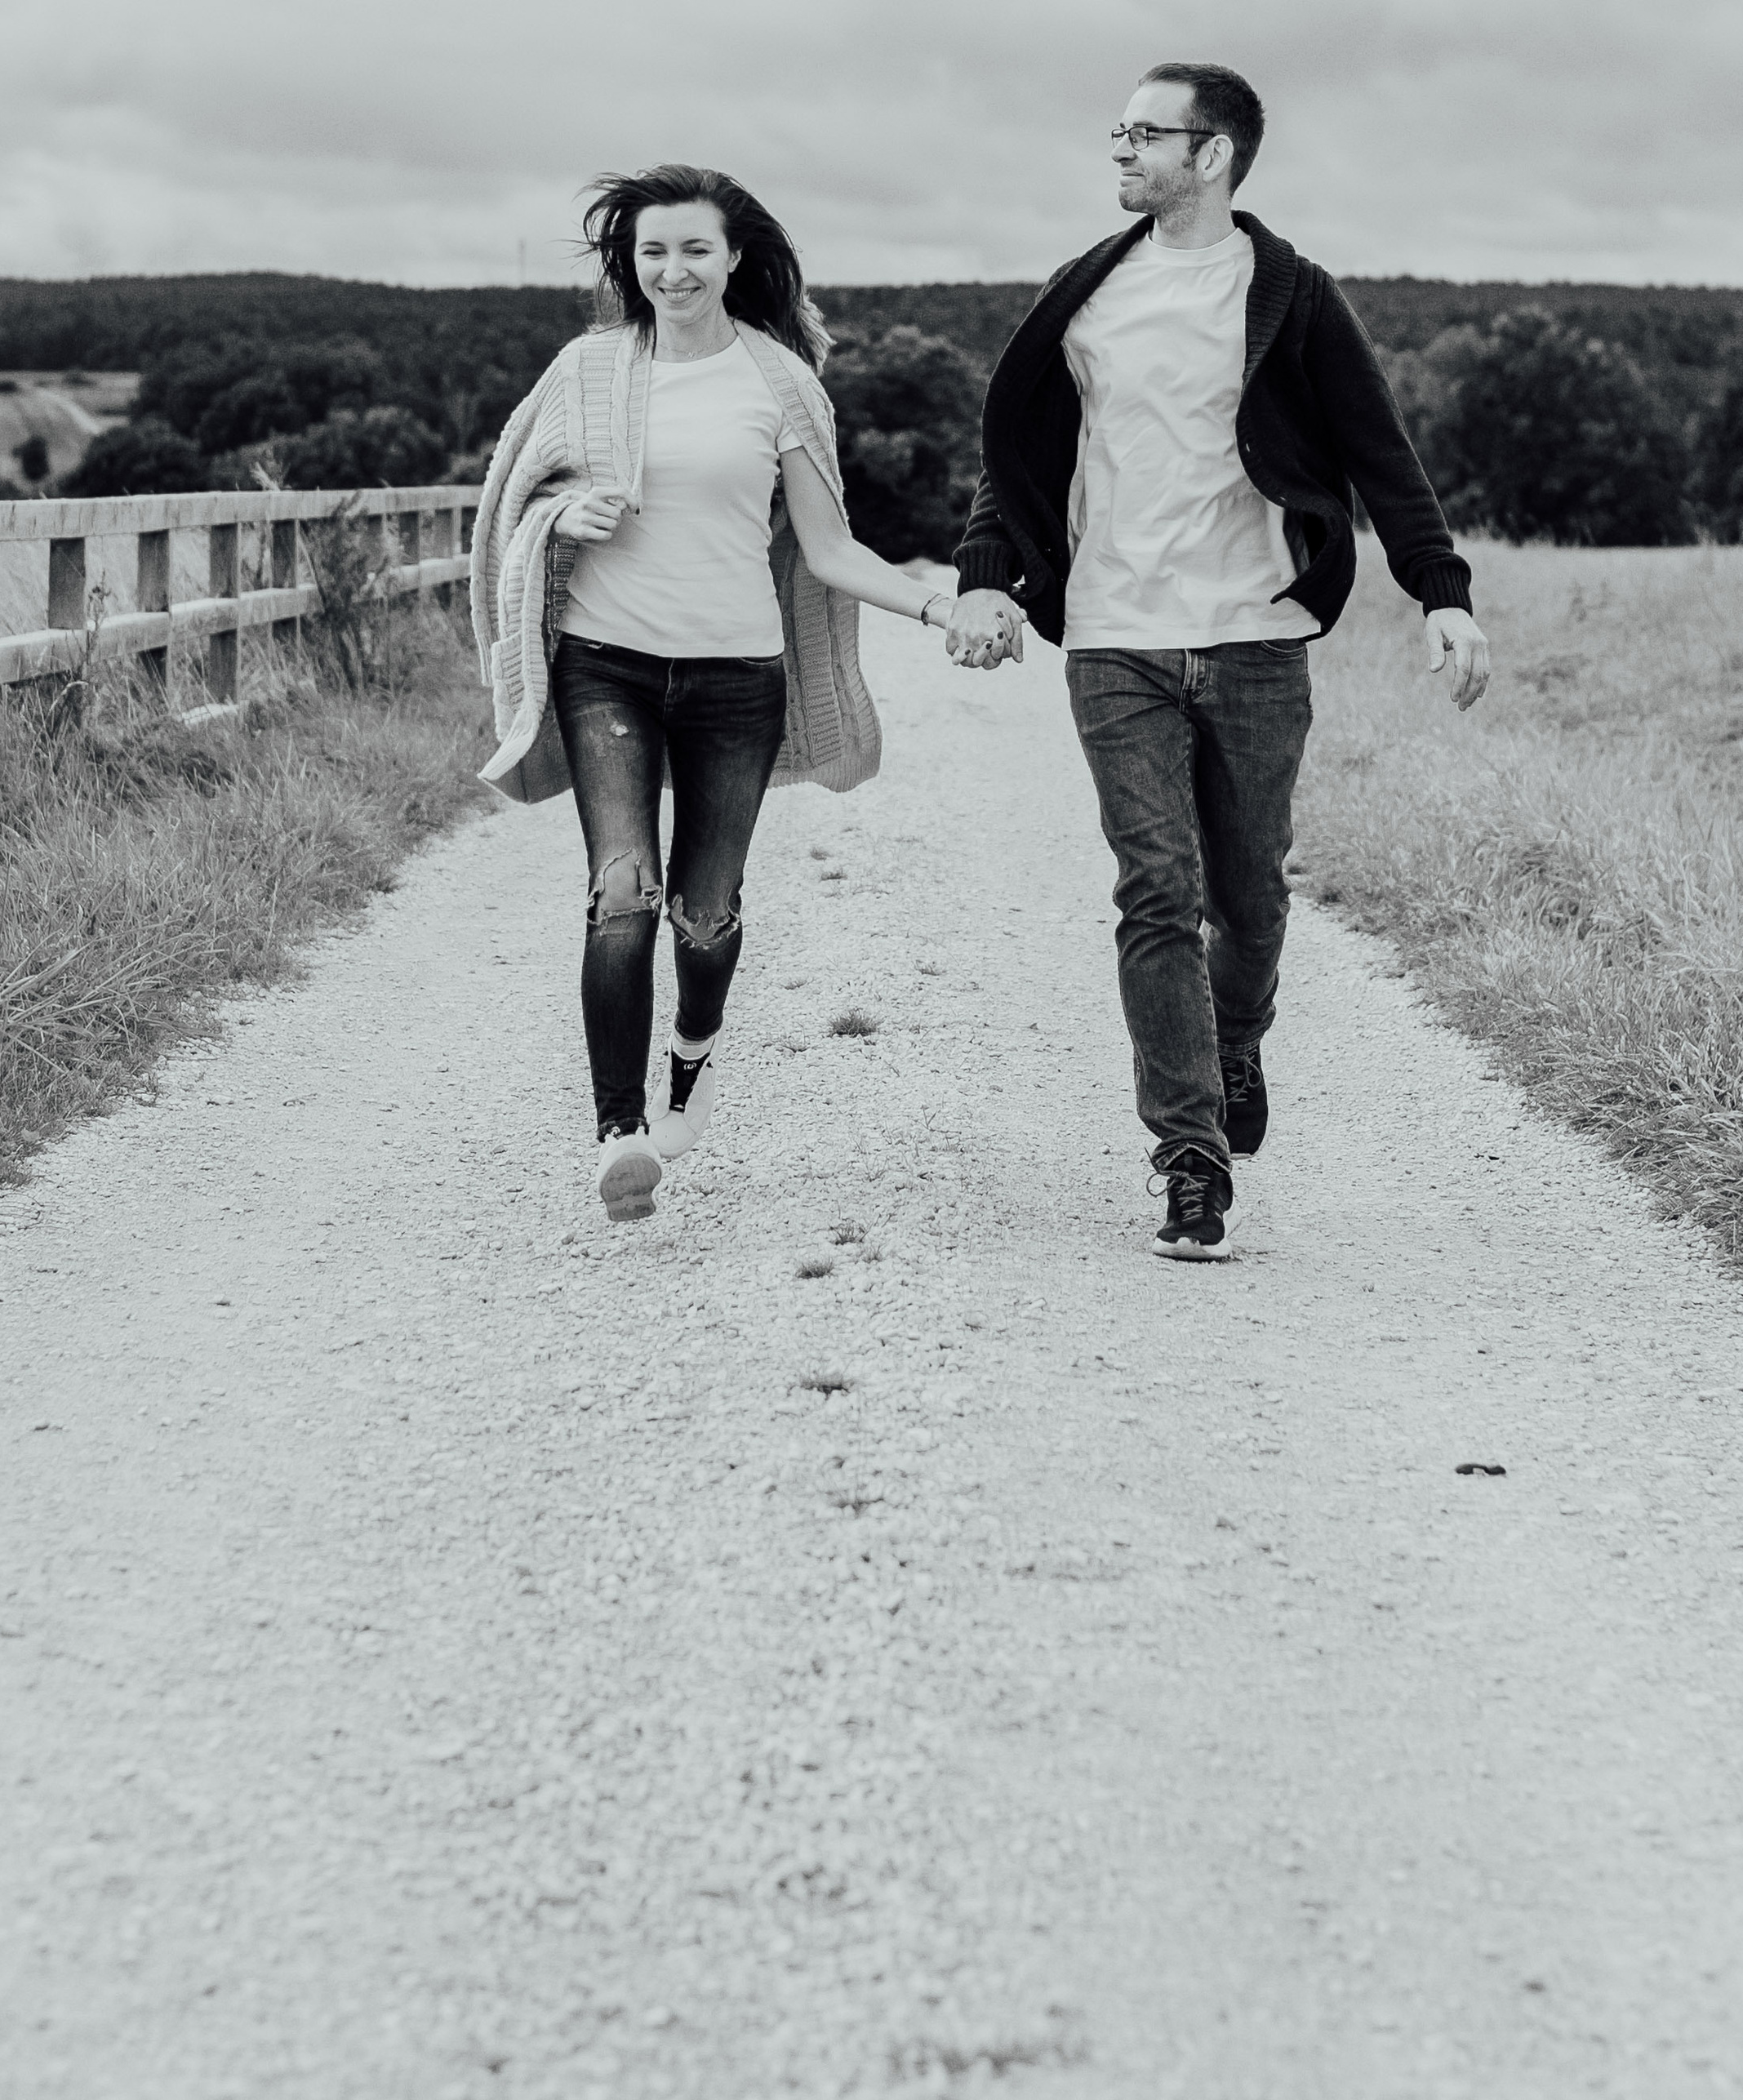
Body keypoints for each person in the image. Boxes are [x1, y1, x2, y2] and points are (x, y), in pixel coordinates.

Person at [945, 62, 1490, 1264]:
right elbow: (1021, 456)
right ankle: (1189, 1157)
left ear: (1214, 156)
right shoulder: (1086, 294)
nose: (1121, 150)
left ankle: (1235, 1039)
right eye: (1119, 130)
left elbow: (1381, 454)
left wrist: (1440, 594)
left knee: (1250, 898)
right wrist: (986, 572)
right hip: (1114, 633)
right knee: (1156, 890)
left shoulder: (1292, 296)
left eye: (1146, 134)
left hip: (1255, 636)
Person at [471, 164, 963, 1222]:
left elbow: (829, 549)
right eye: (653, 251)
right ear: (631, 262)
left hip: (737, 679)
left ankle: (692, 1051)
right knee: (622, 891)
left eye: (695, 249)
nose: (673, 270)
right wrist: (561, 520)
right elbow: (512, 498)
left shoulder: (780, 383)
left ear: (735, 258)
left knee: (705, 914)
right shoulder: (587, 369)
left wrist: (939, 606)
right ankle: (619, 1135)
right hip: (604, 664)